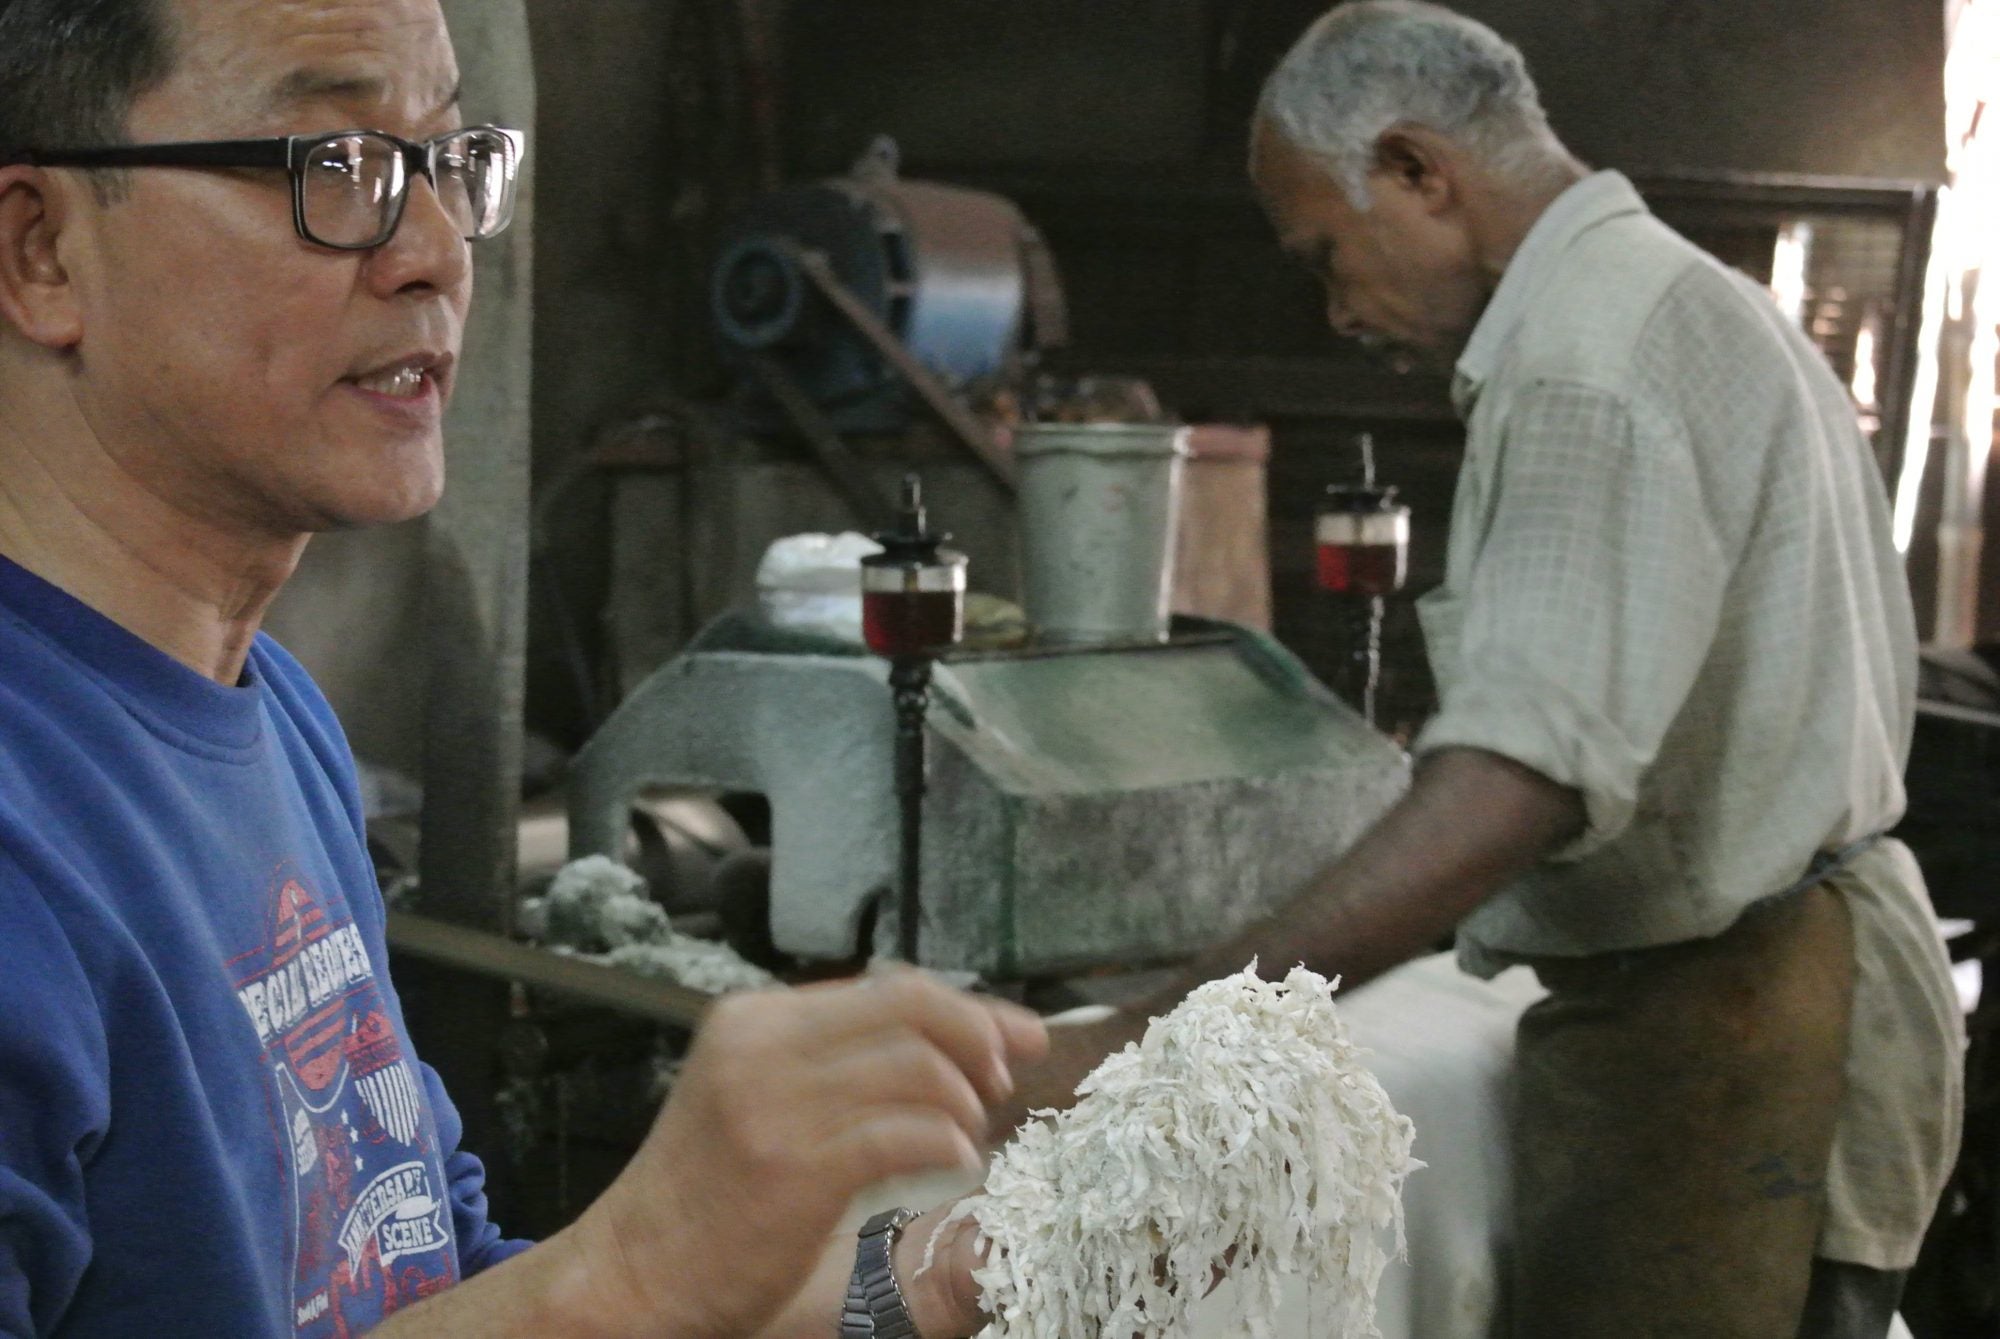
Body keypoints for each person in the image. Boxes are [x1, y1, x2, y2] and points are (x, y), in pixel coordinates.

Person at [0, 0, 1041, 1335]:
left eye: (447, 163)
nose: (436, 251)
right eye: (339, 167)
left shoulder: (271, 717)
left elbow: (435, 1294)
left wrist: (937, 1280)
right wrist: (632, 1273)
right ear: (39, 250)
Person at [1000, 4, 1965, 1336]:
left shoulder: (1585, 362)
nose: (1340, 310)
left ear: (1416, 169)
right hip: (1772, 981)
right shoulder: (1678, 296)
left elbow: (1514, 786)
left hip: (1732, 1019)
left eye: (1327, 254)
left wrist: (1160, 1033)